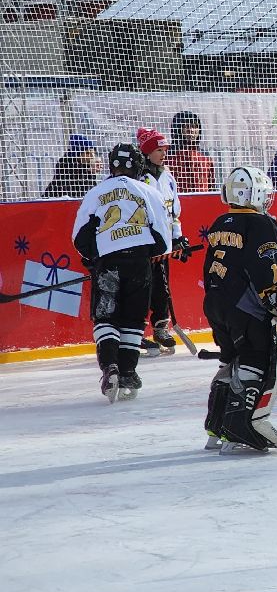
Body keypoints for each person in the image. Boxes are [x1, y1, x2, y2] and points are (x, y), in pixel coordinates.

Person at [72, 144, 172, 402]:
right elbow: (163, 238)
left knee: (106, 317)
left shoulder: (96, 193)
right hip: (139, 264)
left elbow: (79, 237)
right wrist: (147, 251)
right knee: (133, 320)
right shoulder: (148, 191)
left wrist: (94, 258)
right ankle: (127, 371)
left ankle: (110, 367)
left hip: (108, 262)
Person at [202, 166, 277, 453]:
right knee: (255, 358)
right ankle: (239, 425)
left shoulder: (219, 222)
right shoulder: (262, 224)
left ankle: (217, 424)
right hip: (246, 306)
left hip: (216, 302)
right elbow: (268, 265)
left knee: (230, 359)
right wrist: (274, 300)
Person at [136, 127, 190, 356]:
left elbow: (173, 212)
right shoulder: (138, 178)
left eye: (165, 149)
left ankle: (160, 328)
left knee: (162, 287)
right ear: (147, 152)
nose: (163, 154)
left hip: (163, 244)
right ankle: (135, 333)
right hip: (143, 245)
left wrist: (177, 238)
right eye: (159, 150)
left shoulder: (167, 177)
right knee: (141, 289)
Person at [167, 111, 216, 193]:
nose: (191, 130)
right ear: (178, 128)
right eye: (187, 126)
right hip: (177, 199)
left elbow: (211, 186)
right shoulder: (167, 155)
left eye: (195, 126)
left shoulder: (205, 156)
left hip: (202, 199)